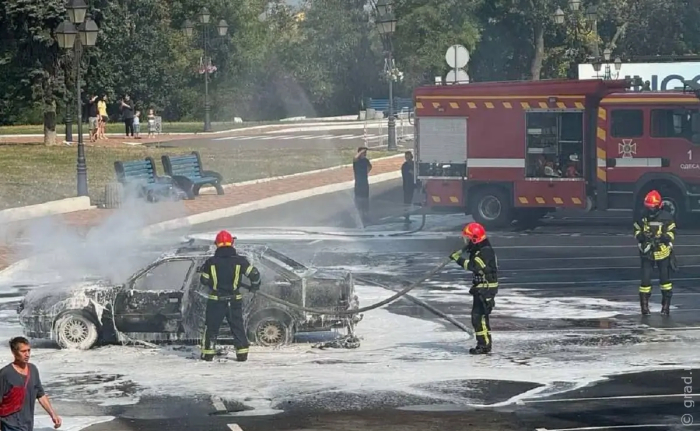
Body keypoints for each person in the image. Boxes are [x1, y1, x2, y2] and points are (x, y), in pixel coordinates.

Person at [198, 230, 262, 362]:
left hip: (216, 300)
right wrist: (254, 287)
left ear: (217, 244)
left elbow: (203, 280)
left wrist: (212, 282)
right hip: (234, 300)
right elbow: (255, 274)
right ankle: (242, 354)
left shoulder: (210, 262)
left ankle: (208, 354)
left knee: (211, 328)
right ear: (232, 243)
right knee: (238, 327)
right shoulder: (240, 261)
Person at [449, 222, 499, 355]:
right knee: (480, 317)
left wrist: (458, 259)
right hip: (481, 287)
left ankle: (483, 345)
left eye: (468, 238)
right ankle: (485, 343)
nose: (466, 241)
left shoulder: (484, 251)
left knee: (478, 317)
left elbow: (473, 266)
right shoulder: (479, 249)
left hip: (486, 288)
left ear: (475, 238)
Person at [0, 337, 61, 431]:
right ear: (14, 352)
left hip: (28, 425)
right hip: (10, 425)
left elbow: (41, 395)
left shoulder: (33, 370)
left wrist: (53, 415)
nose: (27, 354)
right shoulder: (5, 374)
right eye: (23, 351)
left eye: (29, 350)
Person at [633, 190, 676, 316]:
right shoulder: (641, 216)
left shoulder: (666, 217)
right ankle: (644, 308)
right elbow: (636, 229)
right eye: (648, 208)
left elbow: (672, 232)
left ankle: (666, 307)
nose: (650, 211)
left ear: (659, 206)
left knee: (665, 281)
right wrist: (642, 236)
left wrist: (663, 237)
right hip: (647, 252)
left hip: (662, 251)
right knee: (645, 281)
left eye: (652, 208)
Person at [353, 147, 372, 225]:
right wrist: (360, 152)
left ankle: (366, 216)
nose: (365, 154)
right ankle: (359, 215)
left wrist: (366, 172)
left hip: (365, 183)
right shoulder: (356, 161)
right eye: (364, 153)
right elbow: (354, 158)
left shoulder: (366, 161)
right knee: (358, 200)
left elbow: (370, 167)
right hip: (358, 184)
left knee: (365, 201)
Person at [401, 151, 415, 224]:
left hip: (412, 185)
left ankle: (407, 215)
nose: (407, 158)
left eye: (409, 156)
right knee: (407, 201)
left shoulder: (413, 164)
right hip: (407, 186)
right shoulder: (405, 166)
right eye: (406, 156)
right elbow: (410, 173)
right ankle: (406, 216)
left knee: (409, 201)